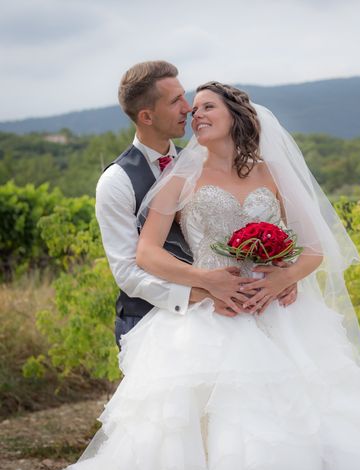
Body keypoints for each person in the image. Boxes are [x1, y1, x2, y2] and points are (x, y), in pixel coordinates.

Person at [52, 81, 360, 470]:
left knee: (312, 420)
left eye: (207, 107)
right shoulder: (181, 178)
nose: (195, 114)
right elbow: (146, 254)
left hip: (281, 314)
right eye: (192, 109)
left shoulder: (271, 174)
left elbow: (315, 249)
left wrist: (282, 277)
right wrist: (205, 280)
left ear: (236, 115)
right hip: (212, 315)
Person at [95, 60, 296, 349]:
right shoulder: (116, 182)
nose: (188, 108)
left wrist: (281, 274)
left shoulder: (201, 163)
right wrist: (203, 291)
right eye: (176, 100)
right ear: (147, 116)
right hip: (151, 320)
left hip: (234, 304)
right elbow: (128, 272)